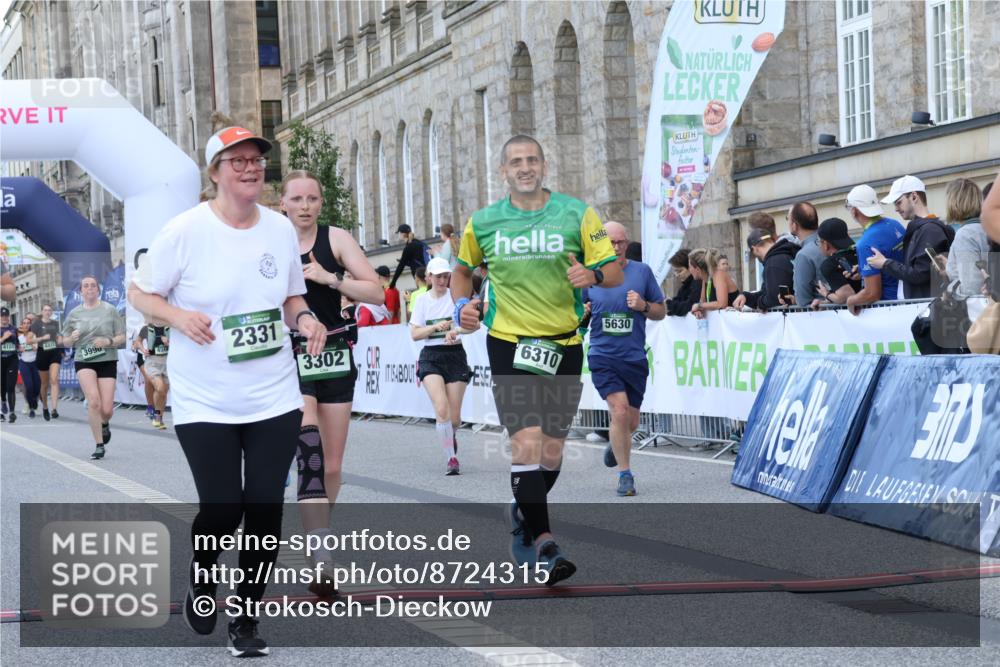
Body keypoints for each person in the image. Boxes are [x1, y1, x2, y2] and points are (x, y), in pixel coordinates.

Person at [128, 126, 327, 657]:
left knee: (264, 509)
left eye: (256, 160)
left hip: (274, 394)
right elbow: (139, 290)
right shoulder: (185, 230)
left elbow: (290, 297)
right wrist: (177, 316)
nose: (249, 168)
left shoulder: (280, 230)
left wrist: (306, 320)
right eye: (235, 161)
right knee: (221, 509)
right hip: (205, 399)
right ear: (214, 171)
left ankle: (245, 616)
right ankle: (202, 574)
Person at [451, 134, 622, 585]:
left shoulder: (578, 213)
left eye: (531, 160)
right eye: (515, 162)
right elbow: (463, 271)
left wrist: (593, 274)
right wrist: (461, 306)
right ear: (503, 171)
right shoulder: (483, 222)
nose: (524, 167)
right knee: (525, 443)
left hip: (563, 344)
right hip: (508, 342)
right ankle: (545, 542)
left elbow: (614, 269)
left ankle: (523, 508)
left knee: (551, 452)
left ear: (544, 166)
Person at [280, 169, 383, 596]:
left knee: (334, 465)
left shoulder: (336, 239)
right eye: (297, 199)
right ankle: (322, 559)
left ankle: (316, 536)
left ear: (321, 203)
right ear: (282, 204)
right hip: (291, 357)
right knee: (312, 459)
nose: (305, 206)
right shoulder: (270, 239)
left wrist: (330, 279)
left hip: (336, 356)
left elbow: (376, 292)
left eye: (313, 199)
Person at [584, 221, 664, 496]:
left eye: (620, 242)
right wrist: (580, 313)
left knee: (630, 422)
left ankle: (616, 445)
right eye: (610, 242)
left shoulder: (642, 272)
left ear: (627, 243)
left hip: (634, 358)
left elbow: (660, 311)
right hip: (602, 355)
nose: (616, 247)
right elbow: (572, 314)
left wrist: (643, 306)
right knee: (618, 412)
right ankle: (625, 475)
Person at [410, 256, 471, 476]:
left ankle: (450, 434)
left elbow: (472, 326)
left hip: (455, 355)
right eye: (438, 276)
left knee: (454, 418)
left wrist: (457, 331)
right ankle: (451, 458)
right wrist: (435, 327)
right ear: (429, 277)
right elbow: (415, 334)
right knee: (441, 409)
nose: (443, 280)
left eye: (446, 276)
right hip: (431, 356)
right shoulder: (422, 301)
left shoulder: (457, 298)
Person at [59, 275, 125, 458]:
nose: (89, 289)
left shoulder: (110, 310)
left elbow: (122, 336)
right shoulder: (74, 314)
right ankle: (99, 445)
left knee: (107, 410)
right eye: (85, 286)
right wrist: (71, 339)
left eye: (93, 286)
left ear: (98, 290)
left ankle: (104, 423)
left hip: (107, 359)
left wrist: (108, 340)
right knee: (93, 401)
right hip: (84, 359)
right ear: (81, 291)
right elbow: (63, 340)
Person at [867, 175, 953, 299]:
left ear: (914, 197)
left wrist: (885, 263)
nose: (896, 209)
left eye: (898, 202)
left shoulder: (929, 230)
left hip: (928, 309)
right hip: (925, 307)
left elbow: (919, 274)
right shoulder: (923, 229)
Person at [844, 184, 906, 315]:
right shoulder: (895, 224)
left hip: (890, 310)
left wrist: (851, 300)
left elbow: (872, 293)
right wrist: (863, 271)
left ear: (854, 211)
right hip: (910, 300)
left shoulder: (865, 243)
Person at [942, 179, 988, 298]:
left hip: (978, 311)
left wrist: (949, 290)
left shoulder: (966, 234)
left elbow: (971, 288)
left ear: (954, 203)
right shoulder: (987, 228)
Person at [733, 229, 799, 311]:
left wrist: (760, 304)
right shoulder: (785, 252)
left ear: (755, 249)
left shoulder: (774, 262)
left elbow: (774, 298)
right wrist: (746, 296)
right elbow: (766, 293)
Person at [811, 218, 862, 308]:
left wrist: (826, 293)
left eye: (819, 241)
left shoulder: (829, 264)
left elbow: (845, 297)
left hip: (854, 314)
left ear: (826, 244)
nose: (818, 245)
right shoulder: (859, 253)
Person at [31, 304, 63, 420]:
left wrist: (60, 339)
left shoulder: (55, 323)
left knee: (54, 379)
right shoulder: (36, 324)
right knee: (44, 384)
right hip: (42, 354)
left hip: (54, 353)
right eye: (45, 310)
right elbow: (30, 339)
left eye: (50, 310)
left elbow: (60, 337)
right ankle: (45, 406)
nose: (48, 312)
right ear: (42, 311)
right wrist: (41, 339)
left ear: (52, 312)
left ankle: (54, 409)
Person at [788, 202, 823, 306]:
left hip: (819, 317)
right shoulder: (829, 242)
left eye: (788, 218)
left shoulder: (804, 255)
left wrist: (797, 301)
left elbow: (803, 301)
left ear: (794, 225)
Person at [136, 322, 170, 429]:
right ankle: (156, 413)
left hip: (168, 363)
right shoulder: (146, 328)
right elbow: (137, 341)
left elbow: (182, 344)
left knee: (163, 393)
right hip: (152, 363)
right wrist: (142, 349)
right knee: (160, 388)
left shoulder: (171, 328)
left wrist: (169, 343)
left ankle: (159, 417)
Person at [689, 248, 739, 317]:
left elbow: (722, 304)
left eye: (690, 267)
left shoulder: (718, 275)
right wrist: (698, 310)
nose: (689, 270)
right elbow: (702, 302)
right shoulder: (706, 278)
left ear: (697, 269)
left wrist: (699, 306)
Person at [389, 223, 428, 290]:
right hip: (426, 272)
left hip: (419, 275)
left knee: (422, 292)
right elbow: (417, 259)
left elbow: (400, 267)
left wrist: (393, 283)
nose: (399, 235)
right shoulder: (418, 242)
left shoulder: (409, 247)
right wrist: (407, 262)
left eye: (399, 233)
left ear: (403, 234)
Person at [663, 248, 701, 317]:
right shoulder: (684, 287)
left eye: (680, 271)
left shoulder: (698, 283)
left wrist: (669, 304)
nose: (677, 275)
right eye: (675, 271)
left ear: (690, 267)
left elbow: (689, 306)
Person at [17, 318, 40, 418]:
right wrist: (19, 349)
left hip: (34, 363)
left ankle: (34, 401)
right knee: (29, 385)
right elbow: (17, 349)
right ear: (22, 326)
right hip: (24, 363)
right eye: (24, 323)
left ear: (30, 325)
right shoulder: (19, 338)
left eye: (28, 323)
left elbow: (36, 348)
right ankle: (31, 408)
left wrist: (31, 343)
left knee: (37, 386)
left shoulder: (34, 336)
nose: (26, 325)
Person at [1, 307, 18, 422]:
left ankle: (12, 412)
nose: (5, 318)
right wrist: (3, 338)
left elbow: (19, 343)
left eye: (6, 316)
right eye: (2, 316)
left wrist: (20, 347)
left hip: (12, 359)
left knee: (11, 387)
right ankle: (3, 403)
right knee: (2, 386)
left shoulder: (14, 329)